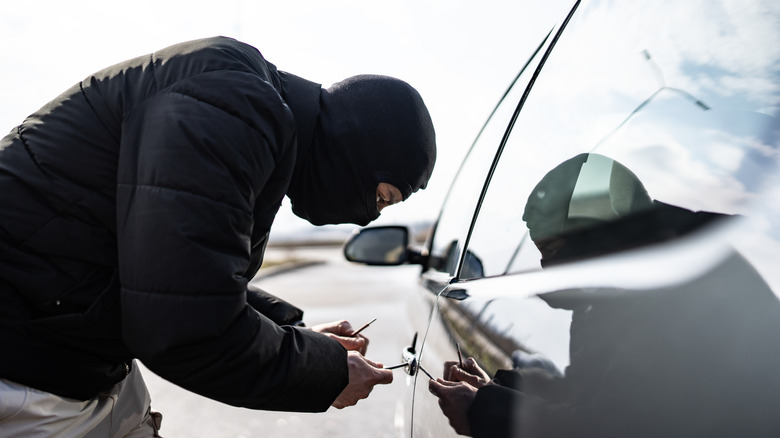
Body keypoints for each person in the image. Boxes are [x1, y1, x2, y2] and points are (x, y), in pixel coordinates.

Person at [0, 36, 436, 436]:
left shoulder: (243, 102)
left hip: (65, 347)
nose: (366, 219)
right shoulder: (235, 107)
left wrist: (293, 334)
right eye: (381, 197)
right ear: (351, 147)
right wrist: (325, 373)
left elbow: (183, 275)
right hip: (25, 368)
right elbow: (184, 325)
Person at [428, 154, 780, 437]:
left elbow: (623, 425)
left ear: (594, 233)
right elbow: (597, 391)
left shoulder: (689, 285)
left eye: (552, 247)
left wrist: (487, 411)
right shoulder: (617, 285)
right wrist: (496, 387)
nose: (545, 265)